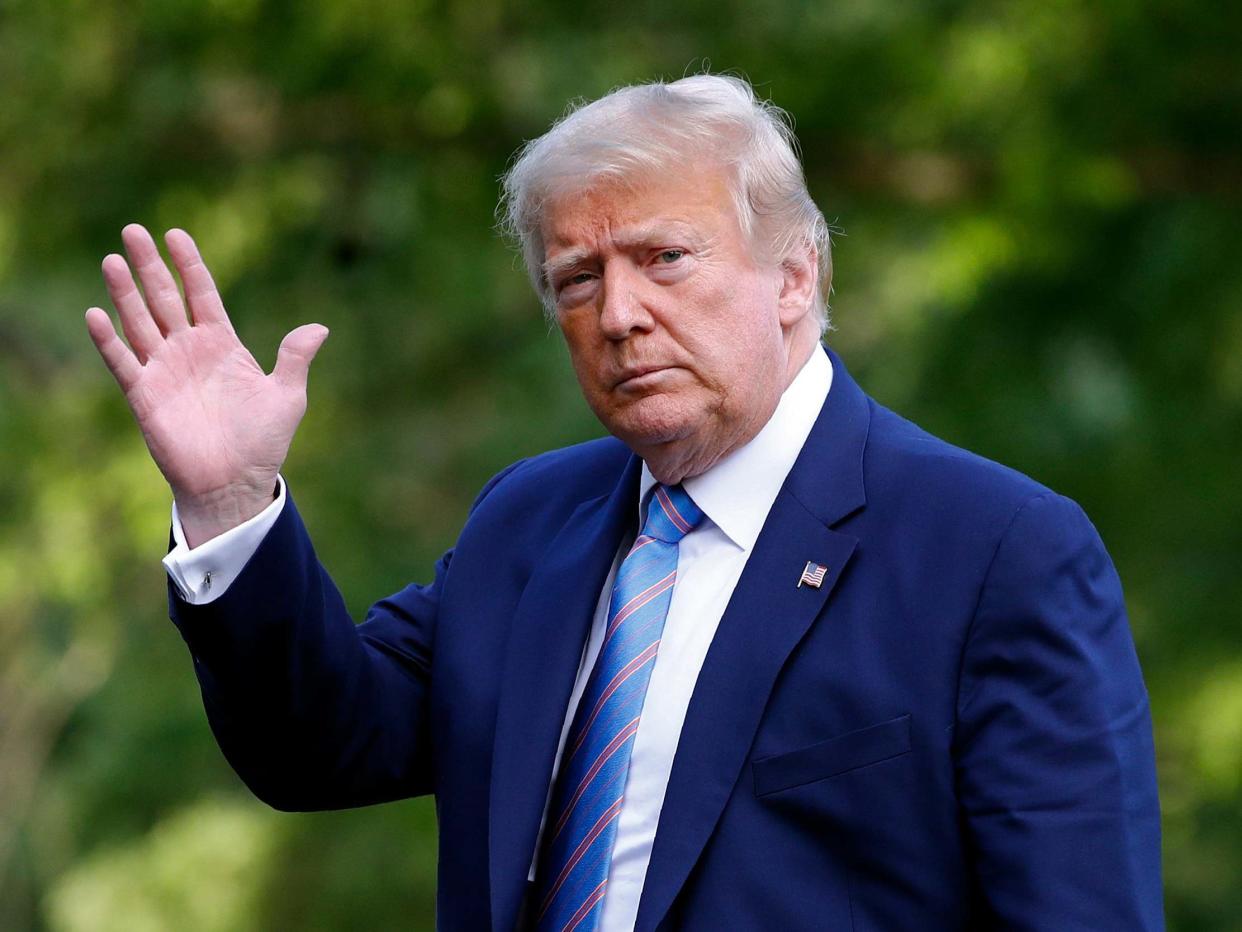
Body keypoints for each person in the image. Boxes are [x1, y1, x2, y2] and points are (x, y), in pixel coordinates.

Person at [86, 75, 1162, 931]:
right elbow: (320, 746)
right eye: (577, 279)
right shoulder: (527, 523)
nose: (621, 314)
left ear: (794, 275)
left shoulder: (994, 551)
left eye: (664, 258)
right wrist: (228, 499)